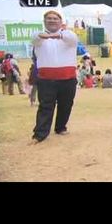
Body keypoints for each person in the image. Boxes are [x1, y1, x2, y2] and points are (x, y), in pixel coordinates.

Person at [29, 10, 78, 144]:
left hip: (67, 78)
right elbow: (34, 39)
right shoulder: (38, 36)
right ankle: (39, 134)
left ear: (61, 21)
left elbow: (72, 39)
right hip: (46, 79)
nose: (52, 21)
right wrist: (44, 36)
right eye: (49, 19)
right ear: (44, 22)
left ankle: (60, 127)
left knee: (66, 104)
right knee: (45, 106)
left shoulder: (68, 35)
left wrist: (58, 35)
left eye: (55, 18)